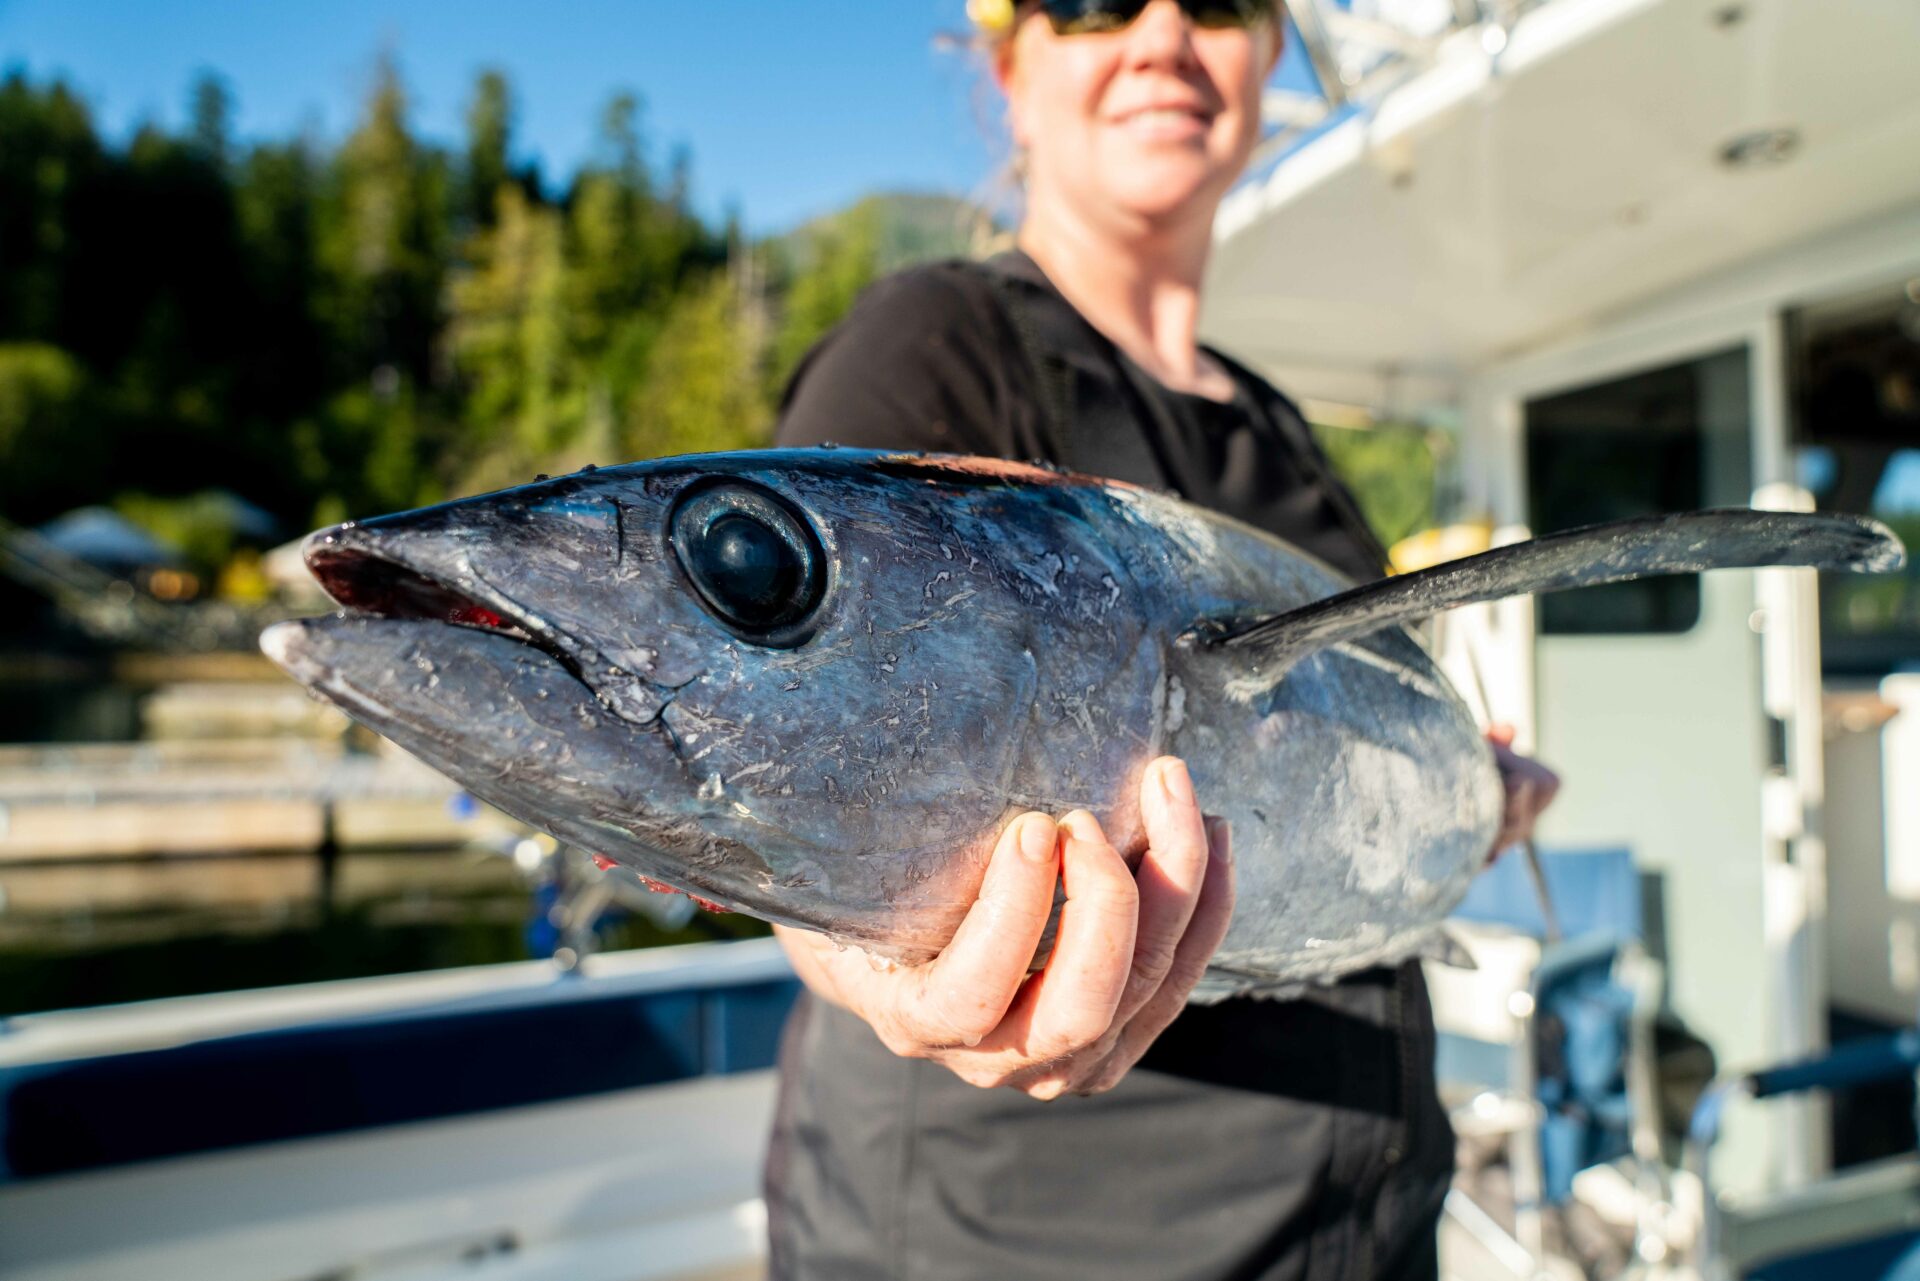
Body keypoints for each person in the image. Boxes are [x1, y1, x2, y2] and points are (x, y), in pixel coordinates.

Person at [762, 3, 1561, 1277]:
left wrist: (1470, 795)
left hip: (1370, 1222)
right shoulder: (934, 343)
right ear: (1008, 74)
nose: (1163, 36)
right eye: (1090, 3)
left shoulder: (1283, 428)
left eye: (1223, 0)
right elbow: (798, 717)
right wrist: (880, 973)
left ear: (1269, 50)